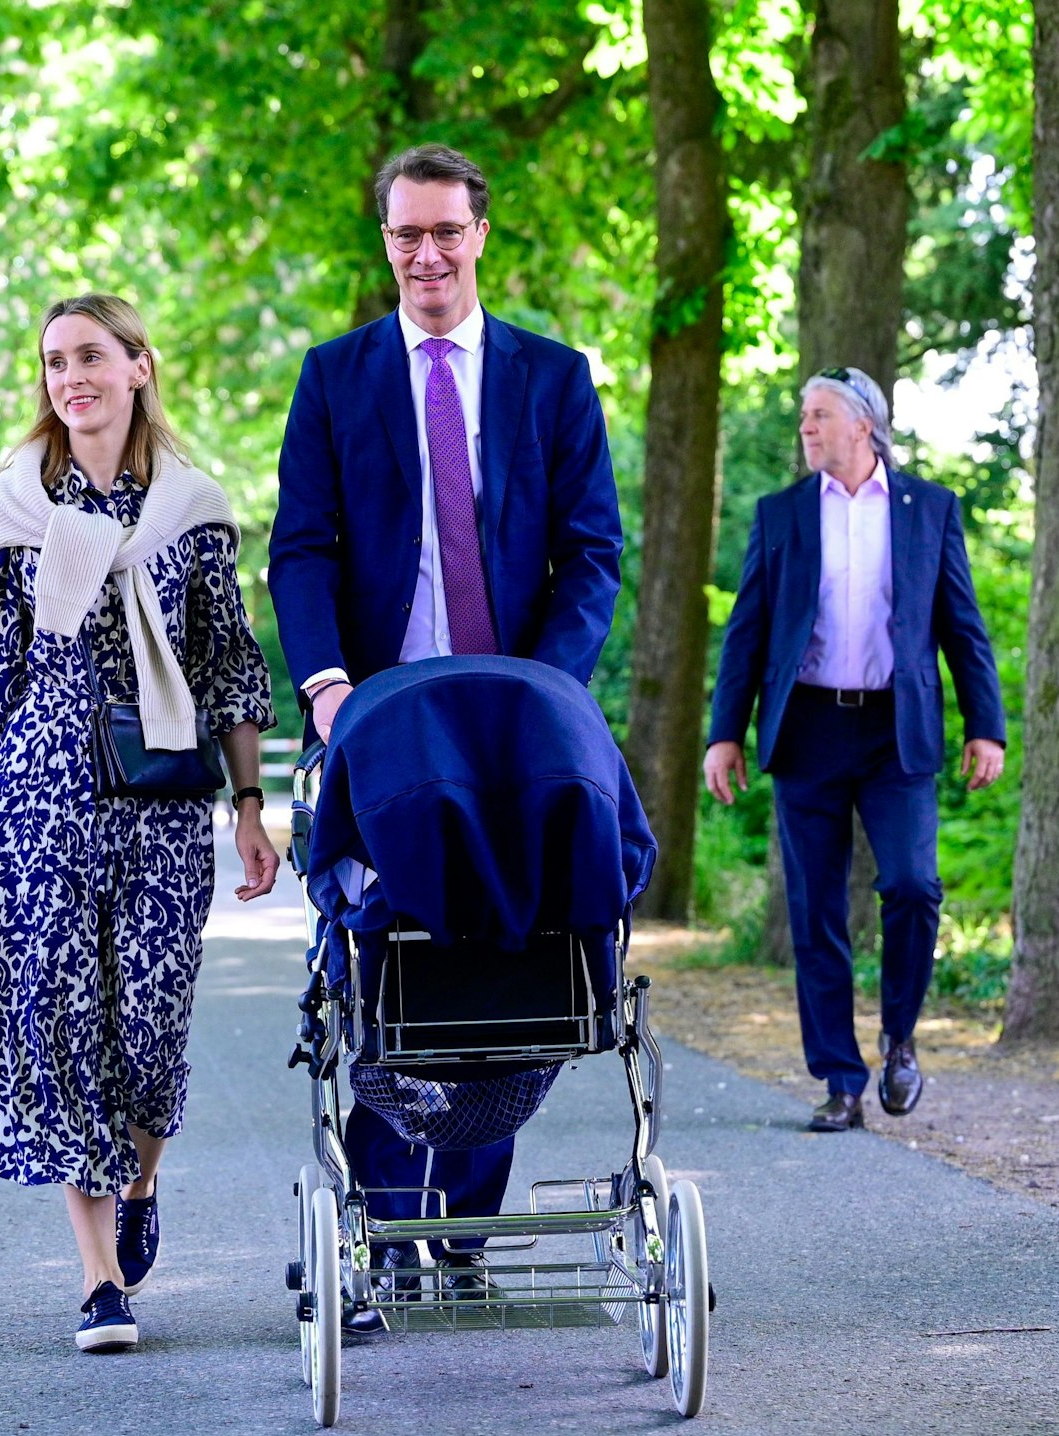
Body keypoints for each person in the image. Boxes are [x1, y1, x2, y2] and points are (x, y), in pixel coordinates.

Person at [269, 143, 622, 1332]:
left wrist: (545, 692)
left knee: (507, 960)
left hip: (515, 726)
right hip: (378, 724)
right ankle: (379, 1228)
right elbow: (302, 547)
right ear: (385, 243)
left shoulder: (553, 378)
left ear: (480, 234)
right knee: (382, 964)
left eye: (444, 233)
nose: (425, 255)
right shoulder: (334, 378)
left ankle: (462, 1234)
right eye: (403, 236)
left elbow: (592, 556)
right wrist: (323, 684)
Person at [0, 293, 280, 1354]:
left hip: (163, 802)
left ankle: (138, 1185)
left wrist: (251, 808)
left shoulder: (192, 509)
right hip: (39, 800)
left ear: (139, 365)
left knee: (147, 1025)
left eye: (90, 356)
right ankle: (98, 1284)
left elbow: (227, 667)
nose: (69, 376)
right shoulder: (11, 509)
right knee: (57, 1026)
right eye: (52, 362)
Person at [704, 367, 1006, 1132]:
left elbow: (961, 626)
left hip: (894, 731)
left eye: (819, 415)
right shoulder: (781, 516)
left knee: (912, 886)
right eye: (803, 417)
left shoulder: (927, 510)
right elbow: (747, 634)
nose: (805, 428)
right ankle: (841, 1080)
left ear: (864, 426)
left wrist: (986, 725)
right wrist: (723, 734)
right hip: (806, 731)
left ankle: (900, 1037)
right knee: (815, 913)